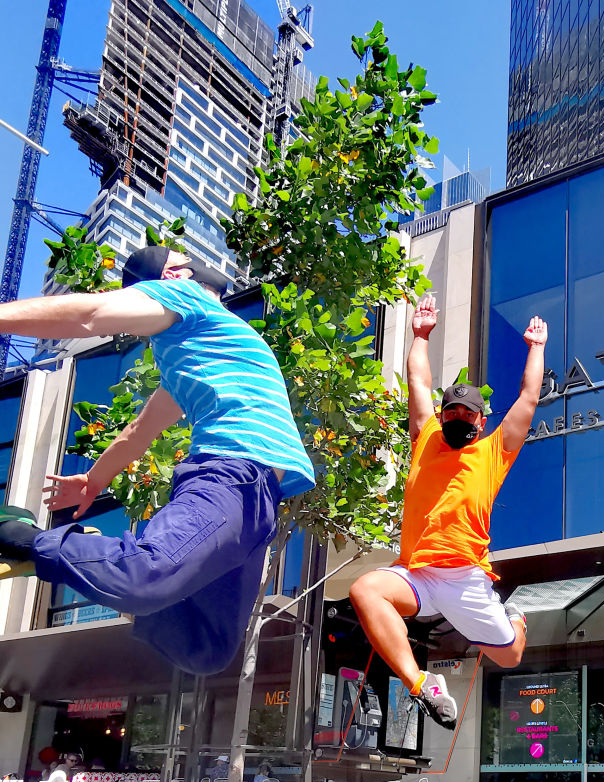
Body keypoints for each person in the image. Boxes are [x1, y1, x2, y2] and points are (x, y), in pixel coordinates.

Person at [0, 246, 315, 675]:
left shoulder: (194, 353)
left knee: (207, 650)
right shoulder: (187, 296)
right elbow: (89, 315)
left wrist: (93, 480)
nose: (193, 259)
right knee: (144, 577)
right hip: (229, 476)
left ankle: (119, 565)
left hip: (259, 502)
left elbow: (137, 435)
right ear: (171, 274)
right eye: (181, 257)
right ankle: (23, 538)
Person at [348, 294, 546, 730]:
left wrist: (536, 347)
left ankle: (515, 618)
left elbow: (529, 397)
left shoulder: (494, 451)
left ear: (479, 420)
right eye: (450, 410)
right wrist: (420, 335)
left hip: (463, 577)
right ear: (442, 414)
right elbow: (418, 383)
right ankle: (422, 684)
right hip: (415, 572)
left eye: (466, 412)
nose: (457, 416)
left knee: (509, 656)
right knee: (365, 590)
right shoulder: (427, 439)